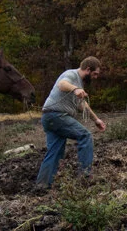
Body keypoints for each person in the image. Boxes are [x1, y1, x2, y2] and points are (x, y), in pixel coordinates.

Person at [35, 56, 107, 189]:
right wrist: (75, 89)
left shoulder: (79, 83)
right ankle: (84, 179)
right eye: (95, 74)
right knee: (85, 136)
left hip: (50, 118)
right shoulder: (71, 74)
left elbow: (82, 105)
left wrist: (96, 120)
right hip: (56, 116)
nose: (96, 77)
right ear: (88, 69)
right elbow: (62, 84)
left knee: (55, 151)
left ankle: (42, 185)